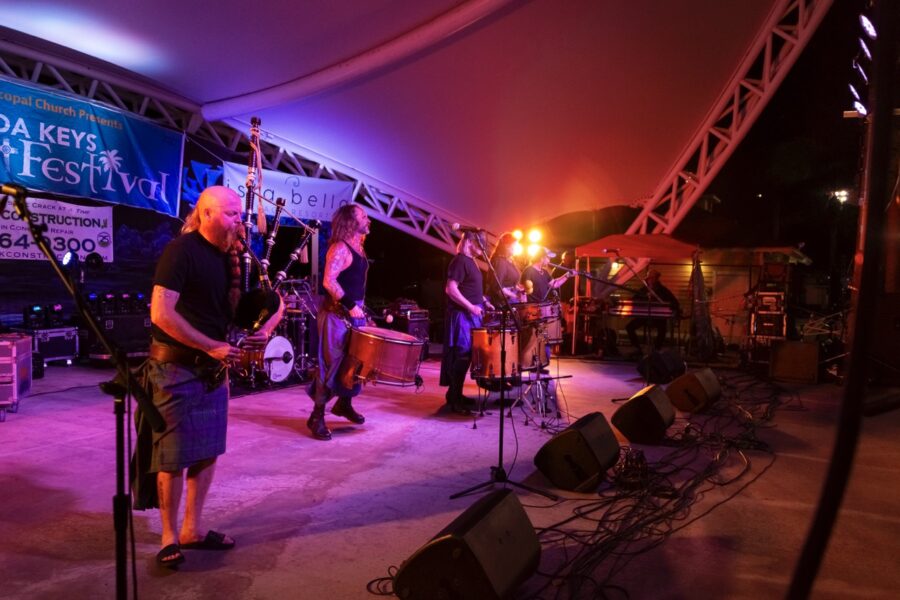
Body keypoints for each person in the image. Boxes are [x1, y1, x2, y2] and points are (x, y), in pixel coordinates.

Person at [142, 185, 282, 568]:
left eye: (240, 214)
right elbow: (161, 314)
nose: (241, 221)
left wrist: (264, 329)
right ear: (205, 215)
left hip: (211, 371)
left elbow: (271, 303)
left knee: (205, 453)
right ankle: (169, 537)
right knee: (172, 458)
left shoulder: (231, 257)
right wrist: (209, 346)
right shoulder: (181, 252)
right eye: (232, 214)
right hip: (175, 368)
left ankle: (193, 529)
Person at [307, 204, 371, 441]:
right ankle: (317, 416)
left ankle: (344, 404)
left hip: (353, 315)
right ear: (351, 221)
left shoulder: (359, 248)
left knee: (355, 364)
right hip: (336, 315)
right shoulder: (339, 248)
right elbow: (328, 281)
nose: (367, 219)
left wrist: (360, 308)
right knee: (330, 366)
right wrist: (351, 305)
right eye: (363, 216)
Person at [440, 230, 493, 413]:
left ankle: (455, 394)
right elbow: (450, 289)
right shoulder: (460, 260)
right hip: (463, 316)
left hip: (472, 315)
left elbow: (470, 287)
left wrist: (484, 301)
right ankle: (454, 400)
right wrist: (471, 307)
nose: (483, 248)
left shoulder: (471, 262)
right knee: (461, 356)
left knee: (467, 355)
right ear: (470, 241)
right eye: (480, 244)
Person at [625, 269, 680, 354]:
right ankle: (637, 348)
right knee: (629, 327)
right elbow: (634, 300)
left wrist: (663, 305)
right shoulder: (644, 289)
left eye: (651, 278)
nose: (648, 280)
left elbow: (674, 302)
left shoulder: (663, 290)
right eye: (648, 278)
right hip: (644, 316)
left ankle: (657, 349)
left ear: (656, 279)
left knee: (662, 329)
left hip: (658, 317)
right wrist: (644, 298)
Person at [486, 232, 525, 308]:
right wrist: (515, 296)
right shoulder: (500, 262)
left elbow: (508, 283)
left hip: (509, 301)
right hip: (500, 304)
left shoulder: (509, 260)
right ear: (507, 246)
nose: (517, 247)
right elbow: (497, 287)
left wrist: (518, 289)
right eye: (515, 245)